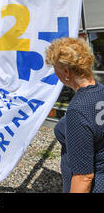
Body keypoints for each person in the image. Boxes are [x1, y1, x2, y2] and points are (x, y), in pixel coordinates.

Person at [45, 36, 104, 193]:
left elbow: (84, 177)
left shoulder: (78, 110)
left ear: (66, 71)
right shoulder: (100, 92)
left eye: (55, 67)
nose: (54, 72)